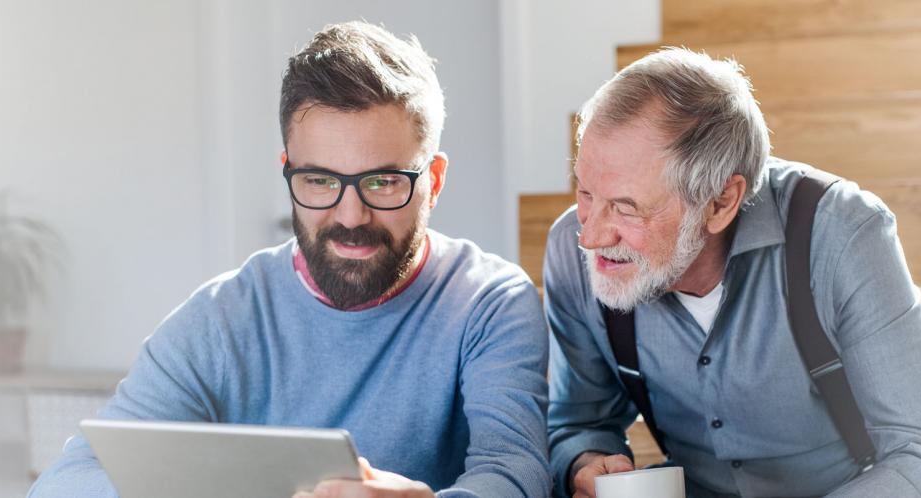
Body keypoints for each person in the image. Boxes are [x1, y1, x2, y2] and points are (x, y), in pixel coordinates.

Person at [29, 21, 551, 498]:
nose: (351, 215)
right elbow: (66, 483)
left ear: (432, 181)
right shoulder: (220, 318)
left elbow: (514, 472)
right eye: (320, 180)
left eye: (383, 181)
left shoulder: (489, 301)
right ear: (288, 172)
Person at [543, 47, 921, 497]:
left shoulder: (840, 233)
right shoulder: (570, 249)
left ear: (720, 203)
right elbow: (578, 422)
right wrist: (586, 464)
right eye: (584, 193)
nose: (591, 236)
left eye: (626, 208)